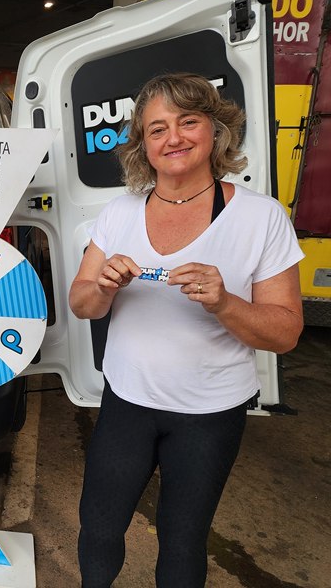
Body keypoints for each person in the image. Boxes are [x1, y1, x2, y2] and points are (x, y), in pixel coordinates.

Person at [69, 73, 304, 587]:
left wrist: (225, 303)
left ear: (215, 130)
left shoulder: (261, 217)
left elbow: (286, 332)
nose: (173, 137)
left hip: (210, 414)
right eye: (157, 129)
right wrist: (103, 287)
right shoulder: (120, 212)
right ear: (143, 145)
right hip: (126, 402)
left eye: (187, 122)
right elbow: (81, 303)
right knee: (99, 528)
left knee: (182, 540)